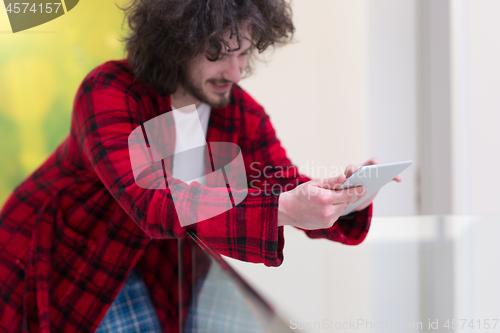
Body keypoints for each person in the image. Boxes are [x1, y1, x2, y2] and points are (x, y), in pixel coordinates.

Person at [0, 0, 401, 332]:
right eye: (217, 55)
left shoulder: (238, 111)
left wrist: (345, 193)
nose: (235, 71)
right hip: (68, 256)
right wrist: (283, 208)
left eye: (243, 53)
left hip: (165, 264)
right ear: (174, 45)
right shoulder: (108, 92)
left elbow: (280, 182)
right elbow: (152, 202)